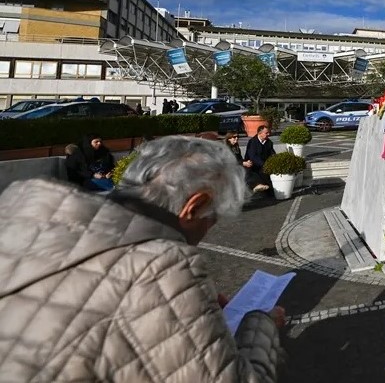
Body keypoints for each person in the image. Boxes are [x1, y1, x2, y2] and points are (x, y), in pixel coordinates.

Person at [0, 136, 284, 381]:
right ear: (194, 206)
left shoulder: (20, 213)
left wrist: (190, 320)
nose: (210, 228)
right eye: (213, 217)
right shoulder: (159, 266)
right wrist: (261, 325)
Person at [244, 125, 275, 193]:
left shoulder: (269, 142)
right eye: (266, 133)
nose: (268, 134)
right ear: (259, 133)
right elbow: (253, 156)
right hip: (254, 165)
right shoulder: (252, 142)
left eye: (268, 132)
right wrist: (264, 165)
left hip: (265, 164)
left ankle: (270, 189)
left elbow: (272, 154)